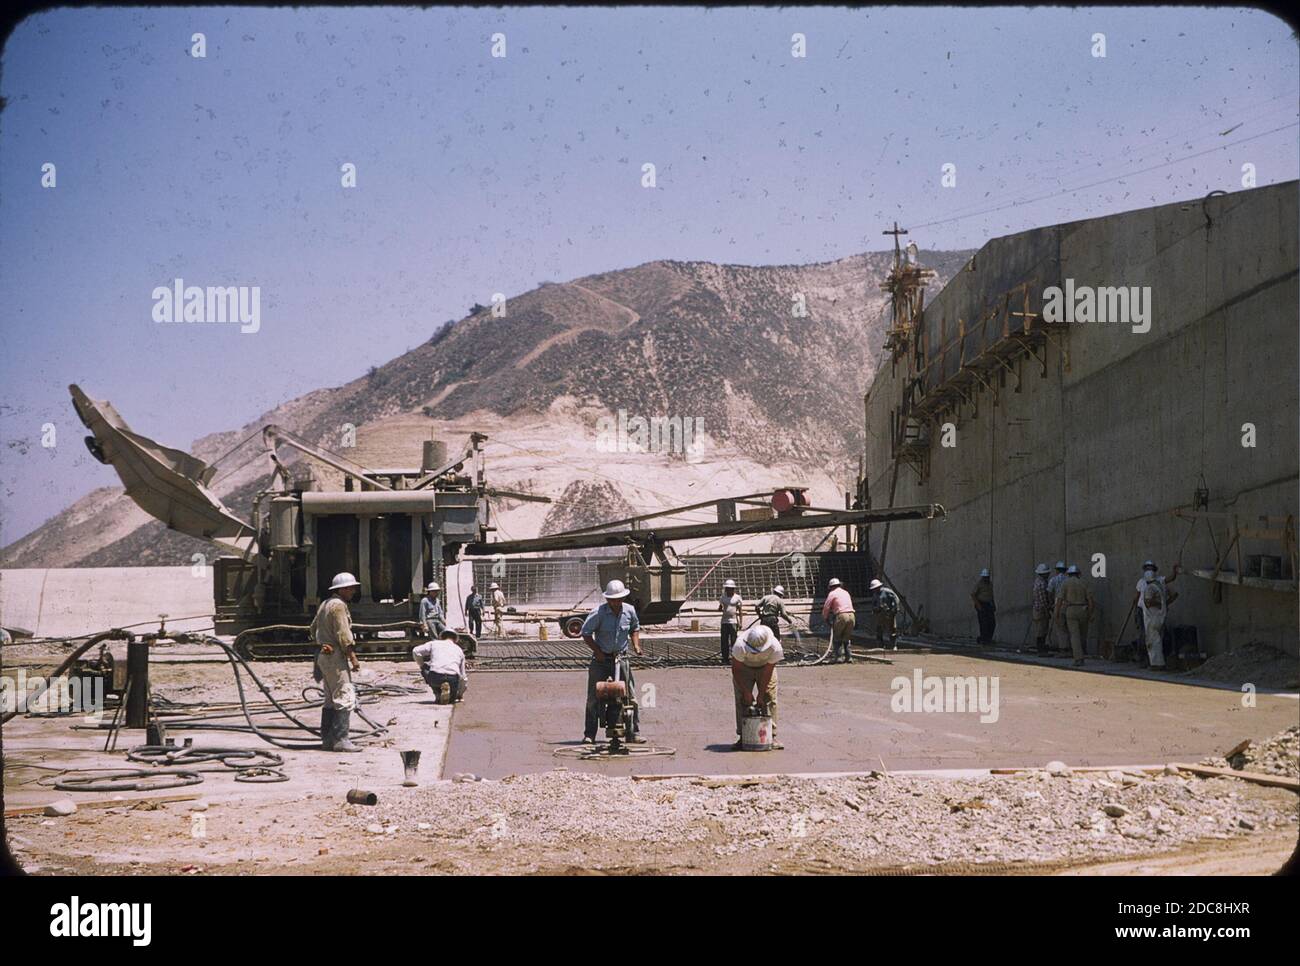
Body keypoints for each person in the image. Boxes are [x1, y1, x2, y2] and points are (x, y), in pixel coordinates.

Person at [580, 579, 644, 744]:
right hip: (601, 660)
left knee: (630, 696)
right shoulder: (598, 613)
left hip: (621, 658)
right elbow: (586, 633)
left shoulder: (629, 611)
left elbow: (635, 628)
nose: (616, 602)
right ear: (607, 599)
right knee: (593, 698)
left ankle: (633, 733)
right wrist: (598, 652)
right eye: (612, 600)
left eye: (619, 599)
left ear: (623, 598)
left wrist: (636, 645)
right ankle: (590, 734)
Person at [311, 572, 363, 753]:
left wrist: (322, 643)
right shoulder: (339, 606)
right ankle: (341, 740)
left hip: (324, 656)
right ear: (341, 589)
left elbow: (312, 629)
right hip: (335, 658)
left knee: (330, 699)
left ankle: (327, 739)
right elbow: (344, 635)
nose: (353, 591)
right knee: (344, 696)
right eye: (350, 588)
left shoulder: (325, 604)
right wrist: (353, 658)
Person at [731, 623, 784, 751]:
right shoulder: (739, 645)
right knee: (742, 700)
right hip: (744, 668)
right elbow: (736, 669)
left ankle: (771, 736)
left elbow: (768, 670)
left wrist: (761, 693)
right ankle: (743, 736)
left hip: (765, 668)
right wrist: (746, 692)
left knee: (769, 698)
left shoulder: (775, 647)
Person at [1131, 560, 1180, 665]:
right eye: (1147, 568)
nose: (1149, 570)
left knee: (1155, 636)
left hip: (1155, 612)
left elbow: (1171, 579)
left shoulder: (1159, 581)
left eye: (1151, 568)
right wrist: (1135, 608)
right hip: (1141, 610)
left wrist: (1164, 604)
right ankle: (1144, 658)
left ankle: (1156, 661)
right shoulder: (1141, 582)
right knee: (1143, 635)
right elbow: (1137, 596)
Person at [1053, 565, 1095, 666]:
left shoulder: (1065, 583)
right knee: (1083, 635)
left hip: (1070, 610)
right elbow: (1091, 601)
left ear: (1068, 574)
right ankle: (1082, 653)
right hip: (1083, 609)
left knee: (1074, 635)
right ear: (1079, 574)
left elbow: (1059, 600)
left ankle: (1078, 658)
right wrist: (1091, 613)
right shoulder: (1084, 582)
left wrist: (1056, 614)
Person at [412, 628, 468, 704]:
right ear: (455, 639)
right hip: (452, 678)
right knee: (452, 700)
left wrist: (422, 664)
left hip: (436, 676)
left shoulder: (434, 643)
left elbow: (416, 651)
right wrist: (460, 694)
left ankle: (437, 693)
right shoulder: (459, 650)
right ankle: (449, 694)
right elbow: (463, 677)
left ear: (441, 637)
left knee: (425, 669)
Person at [822, 577, 856, 663]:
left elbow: (826, 607)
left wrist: (825, 618)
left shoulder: (832, 593)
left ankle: (838, 657)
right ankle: (849, 657)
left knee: (837, 637)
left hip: (841, 616)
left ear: (831, 586)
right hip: (851, 615)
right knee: (846, 638)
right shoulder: (846, 592)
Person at [868, 578, 899, 650]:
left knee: (892, 629)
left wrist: (895, 608)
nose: (875, 590)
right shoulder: (875, 595)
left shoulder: (887, 591)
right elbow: (873, 604)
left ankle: (893, 645)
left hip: (889, 613)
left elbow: (896, 598)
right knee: (879, 630)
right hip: (880, 614)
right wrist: (875, 609)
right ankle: (880, 645)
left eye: (876, 588)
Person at [718, 578, 743, 665]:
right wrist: (720, 607)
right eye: (727, 588)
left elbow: (740, 611)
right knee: (724, 640)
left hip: (733, 622)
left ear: (733, 589)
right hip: (724, 622)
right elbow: (720, 608)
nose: (728, 590)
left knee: (734, 641)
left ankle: (734, 658)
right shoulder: (723, 597)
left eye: (730, 588)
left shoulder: (737, 598)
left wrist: (740, 622)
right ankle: (725, 658)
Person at [970, 569, 996, 645]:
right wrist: (978, 606)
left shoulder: (990, 584)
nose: (986, 578)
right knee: (983, 623)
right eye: (984, 577)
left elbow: (991, 595)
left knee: (992, 622)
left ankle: (988, 638)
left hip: (988, 604)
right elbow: (973, 594)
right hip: (981, 604)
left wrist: (993, 604)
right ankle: (983, 639)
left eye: (987, 577)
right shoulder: (979, 584)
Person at [1046, 561, 1068, 652]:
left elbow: (1049, 593)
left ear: (1057, 570)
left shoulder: (1053, 580)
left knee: (1060, 628)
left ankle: (1063, 648)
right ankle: (1070, 648)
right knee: (1070, 628)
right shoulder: (1068, 579)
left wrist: (1051, 604)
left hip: (1058, 605)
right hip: (1069, 605)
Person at [1031, 563, 1051, 655]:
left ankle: (1040, 648)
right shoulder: (1042, 584)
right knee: (1042, 630)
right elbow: (1043, 600)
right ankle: (1041, 649)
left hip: (1036, 609)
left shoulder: (1036, 581)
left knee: (1039, 630)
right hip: (1041, 610)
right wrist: (1047, 612)